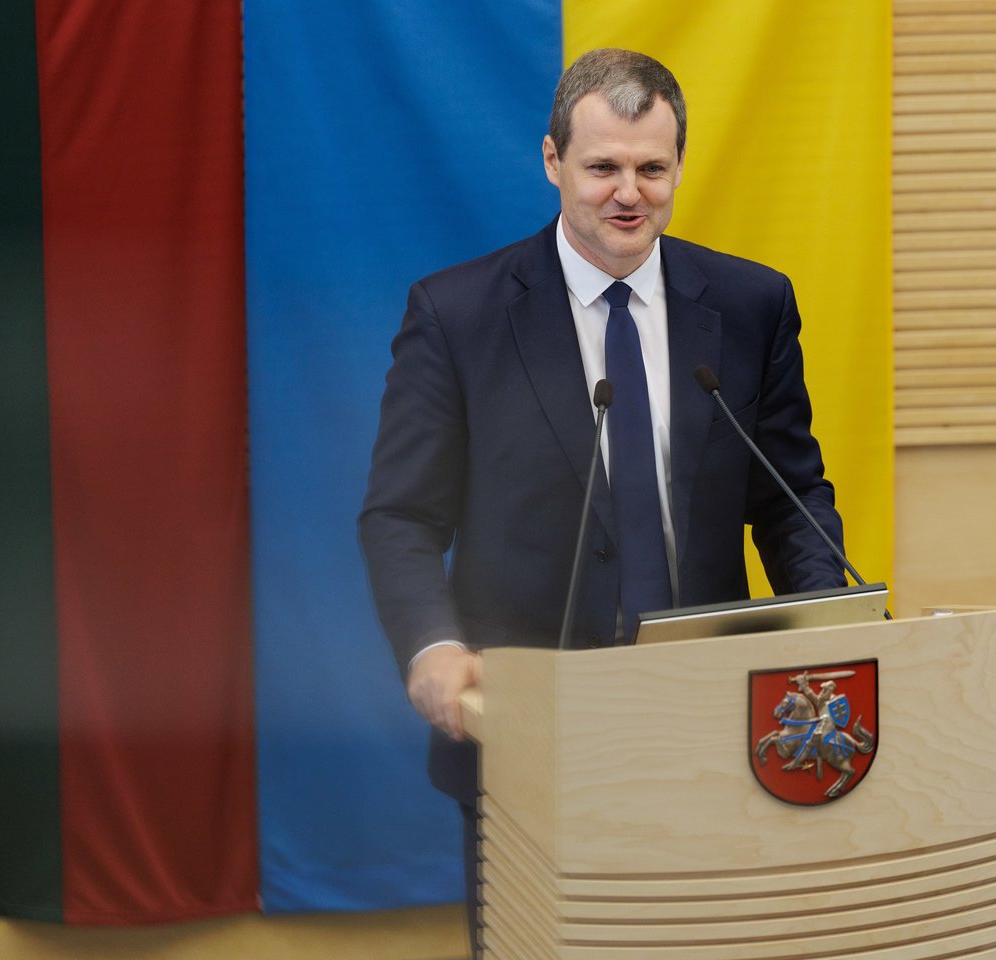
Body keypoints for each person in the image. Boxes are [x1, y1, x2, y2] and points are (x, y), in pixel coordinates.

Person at [358, 47, 846, 955]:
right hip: (529, 728)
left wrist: (829, 623)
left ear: (679, 166)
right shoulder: (458, 315)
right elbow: (402, 517)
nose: (629, 194)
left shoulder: (751, 305)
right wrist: (432, 644)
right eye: (603, 168)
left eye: (651, 168)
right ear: (553, 162)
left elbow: (789, 496)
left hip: (713, 723)